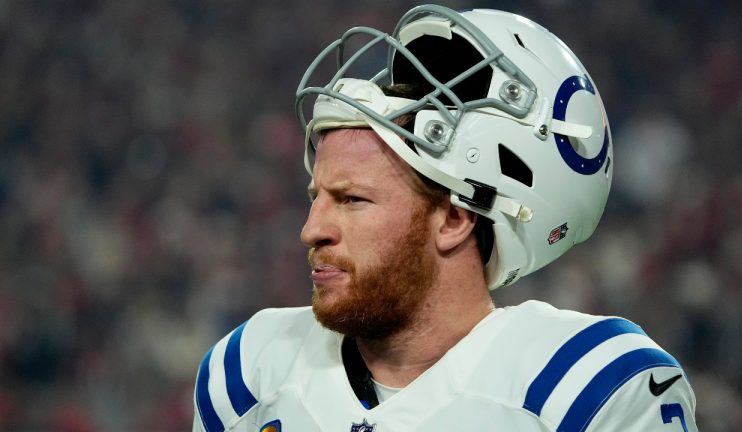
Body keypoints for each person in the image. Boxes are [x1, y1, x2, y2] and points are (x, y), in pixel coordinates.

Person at [192, 5, 697, 431]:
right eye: (315, 196)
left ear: (455, 218)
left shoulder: (588, 388)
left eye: (352, 200)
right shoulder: (248, 373)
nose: (311, 230)